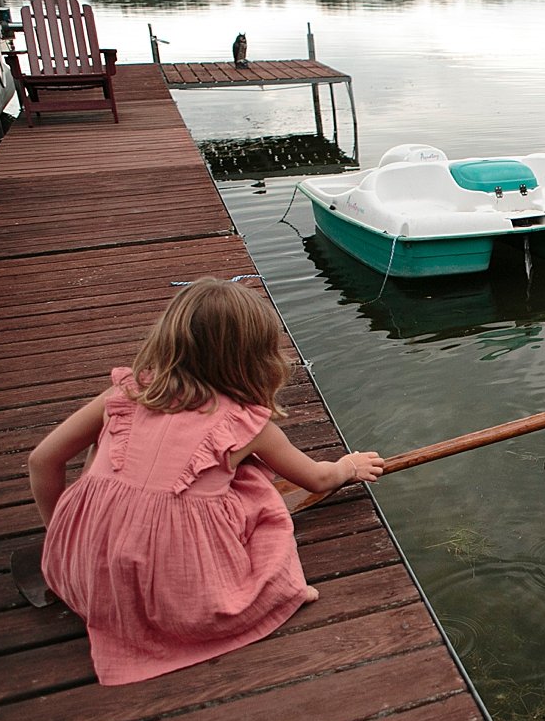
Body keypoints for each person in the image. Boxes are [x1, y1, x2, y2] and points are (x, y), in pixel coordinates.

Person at [28, 278, 385, 686]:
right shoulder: (244, 422)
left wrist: (62, 538)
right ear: (255, 357)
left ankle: (91, 550)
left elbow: (42, 461)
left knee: (103, 455)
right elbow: (317, 477)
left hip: (79, 576)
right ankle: (276, 594)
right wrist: (349, 467)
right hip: (173, 595)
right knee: (254, 487)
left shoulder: (127, 392)